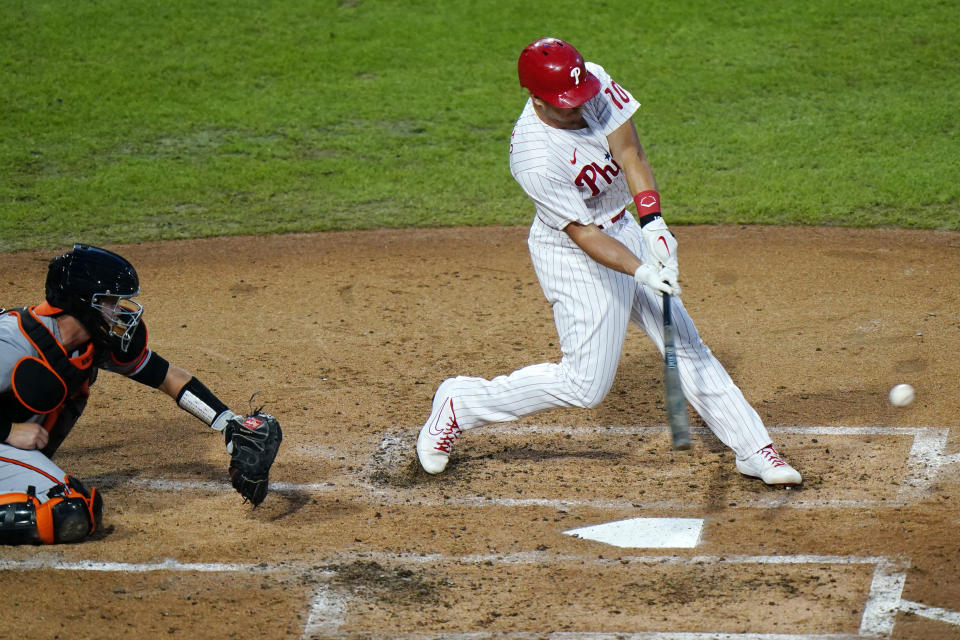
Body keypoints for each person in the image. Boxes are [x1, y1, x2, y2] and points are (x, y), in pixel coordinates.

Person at [416, 37, 801, 488]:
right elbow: (583, 233)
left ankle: (754, 450)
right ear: (535, 98)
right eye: (566, 106)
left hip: (623, 230)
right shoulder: (534, 157)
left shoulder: (589, 82)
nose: (579, 109)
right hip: (576, 255)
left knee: (683, 339)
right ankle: (460, 403)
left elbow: (630, 153)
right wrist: (641, 270)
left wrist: (653, 222)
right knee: (585, 387)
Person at [0, 244, 279, 545]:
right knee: (68, 513)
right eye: (111, 302)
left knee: (72, 510)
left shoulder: (89, 344)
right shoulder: (11, 342)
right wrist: (8, 430)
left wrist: (226, 422)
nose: (121, 311)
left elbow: (167, 377)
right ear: (80, 303)